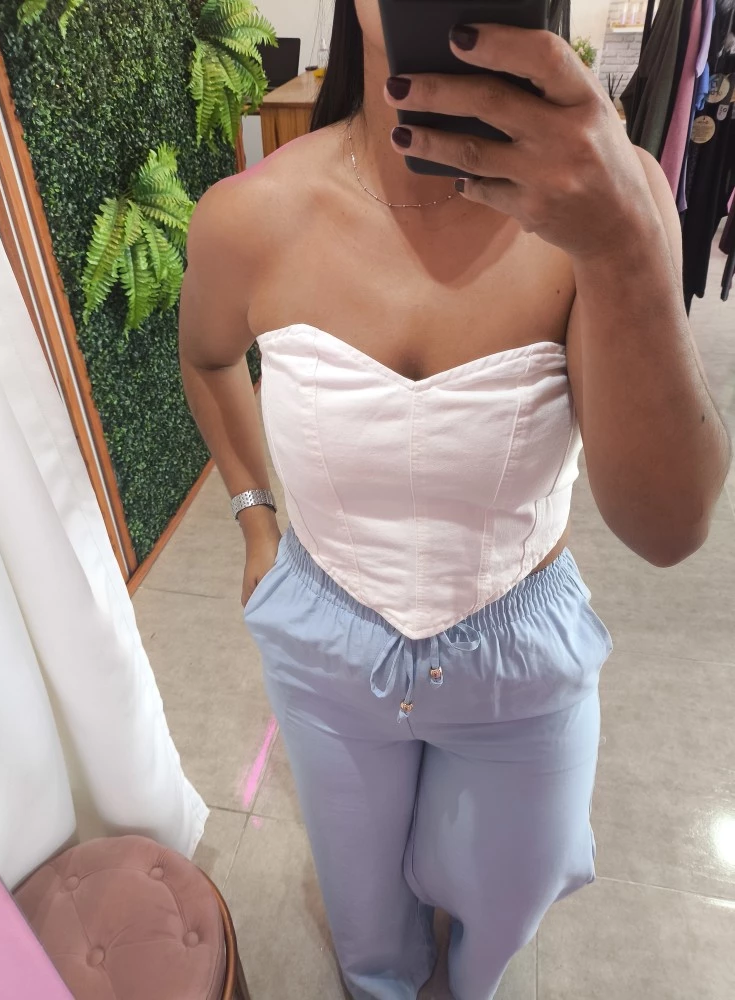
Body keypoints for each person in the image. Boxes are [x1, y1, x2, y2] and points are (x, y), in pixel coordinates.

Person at [179, 2, 731, 998]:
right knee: (362, 915)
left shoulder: (612, 204)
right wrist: (255, 516)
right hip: (325, 641)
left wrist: (620, 245)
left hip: (519, 650)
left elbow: (668, 528)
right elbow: (209, 356)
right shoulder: (248, 215)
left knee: (507, 889)